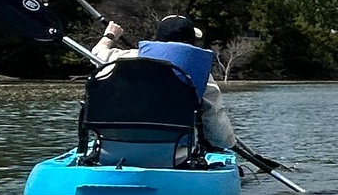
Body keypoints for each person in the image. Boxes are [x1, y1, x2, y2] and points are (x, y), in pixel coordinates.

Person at [90, 14, 240, 154]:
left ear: (157, 39)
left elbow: (96, 54)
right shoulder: (201, 75)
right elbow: (217, 127)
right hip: (174, 155)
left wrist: (109, 35)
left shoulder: (128, 59)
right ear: (191, 41)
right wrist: (227, 143)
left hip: (113, 148)